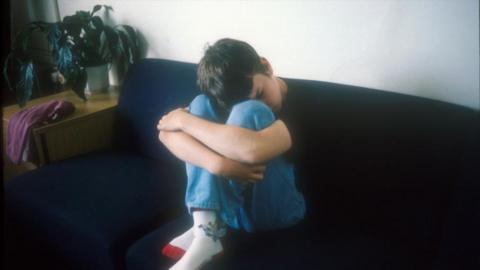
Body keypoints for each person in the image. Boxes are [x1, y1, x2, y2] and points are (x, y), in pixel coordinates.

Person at [156, 38, 305, 270]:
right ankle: (206, 229)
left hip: (279, 210)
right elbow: (166, 135)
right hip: (234, 215)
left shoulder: (300, 102)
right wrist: (218, 164)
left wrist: (184, 121)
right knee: (200, 104)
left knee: (249, 111)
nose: (263, 102)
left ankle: (205, 232)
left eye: (260, 92)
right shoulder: (229, 96)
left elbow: (252, 149)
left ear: (266, 66)